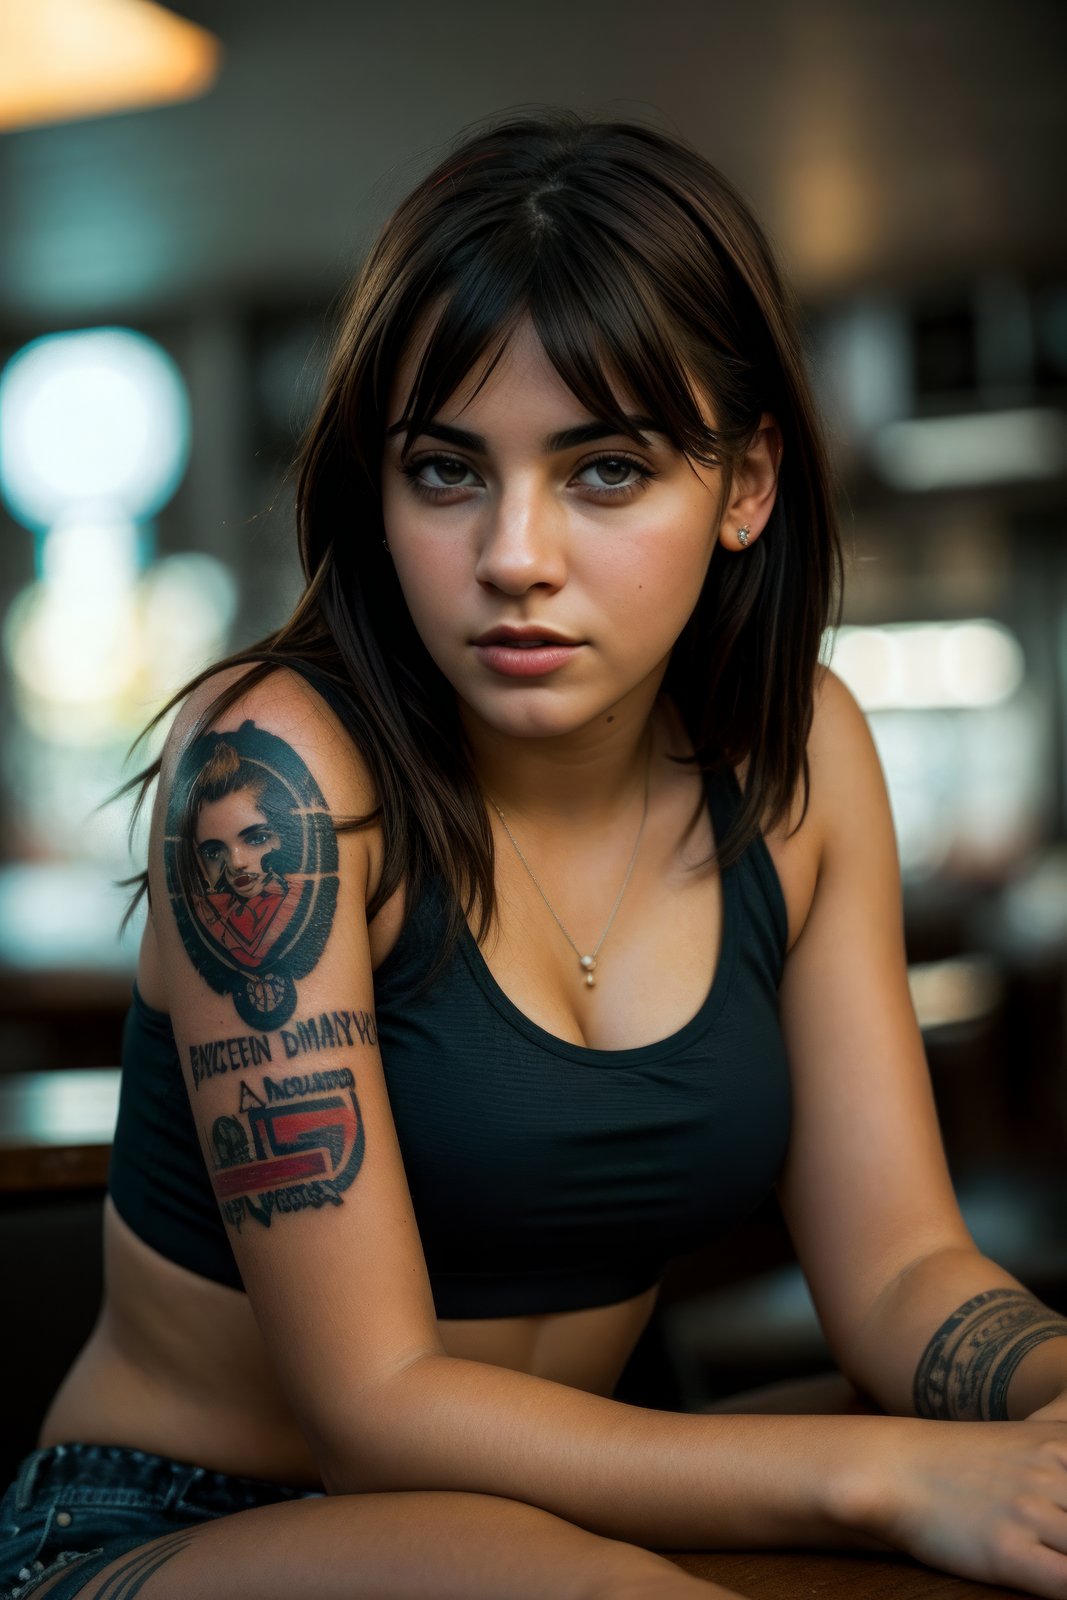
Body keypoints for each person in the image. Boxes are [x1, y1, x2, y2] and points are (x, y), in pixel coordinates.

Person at [3, 107, 1067, 1600]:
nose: (515, 553)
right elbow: (373, 1413)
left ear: (747, 484)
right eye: (447, 472)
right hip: (179, 1526)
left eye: (607, 471)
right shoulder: (274, 781)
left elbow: (899, 1272)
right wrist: (890, 1475)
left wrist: (1043, 1404)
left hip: (589, 1495)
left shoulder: (800, 758)